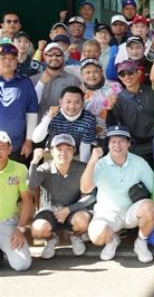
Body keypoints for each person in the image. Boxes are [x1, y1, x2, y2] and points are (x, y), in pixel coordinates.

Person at [82, 125, 154, 263]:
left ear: (129, 143)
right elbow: (85, 188)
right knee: (97, 236)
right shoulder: (100, 164)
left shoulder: (139, 162)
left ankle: (141, 242)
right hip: (108, 214)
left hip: (131, 212)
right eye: (113, 141)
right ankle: (112, 240)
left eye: (121, 141)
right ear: (108, 144)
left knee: (150, 207)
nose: (117, 145)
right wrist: (92, 161)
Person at [28, 134, 94, 259]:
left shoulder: (82, 168)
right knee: (37, 230)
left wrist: (68, 209)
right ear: (51, 151)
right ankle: (51, 239)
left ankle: (76, 236)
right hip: (50, 211)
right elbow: (31, 185)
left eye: (68, 149)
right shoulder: (45, 168)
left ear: (74, 151)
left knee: (83, 221)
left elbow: (91, 196)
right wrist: (34, 161)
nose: (63, 153)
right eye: (59, 149)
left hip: (74, 210)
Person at [107, 60, 154, 166]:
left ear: (138, 73)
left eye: (130, 72)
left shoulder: (153, 92)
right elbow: (112, 125)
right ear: (119, 78)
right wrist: (110, 108)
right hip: (135, 147)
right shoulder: (118, 99)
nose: (127, 77)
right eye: (122, 74)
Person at [32, 86, 98, 162]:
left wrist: (83, 166)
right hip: (53, 153)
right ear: (61, 102)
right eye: (68, 102)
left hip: (76, 155)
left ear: (82, 103)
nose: (72, 106)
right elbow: (36, 139)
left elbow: (85, 145)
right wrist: (49, 118)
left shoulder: (89, 119)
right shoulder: (52, 114)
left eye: (77, 102)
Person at [0, 43, 38, 165]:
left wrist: (29, 141)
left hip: (15, 147)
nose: (7, 61)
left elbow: (32, 113)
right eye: (3, 58)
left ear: (17, 61)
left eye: (12, 58)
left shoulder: (26, 83)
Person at [0, 131, 32, 271]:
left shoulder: (20, 169)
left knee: (22, 264)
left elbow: (27, 199)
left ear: (10, 149)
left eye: (2, 147)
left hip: (7, 223)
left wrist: (20, 229)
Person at [31, 42, 81, 120]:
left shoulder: (73, 80)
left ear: (63, 57)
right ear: (44, 56)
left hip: (64, 126)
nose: (54, 58)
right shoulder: (33, 80)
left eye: (58, 55)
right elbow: (28, 106)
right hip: (38, 126)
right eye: (50, 55)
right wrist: (41, 83)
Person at [81, 58, 122, 135]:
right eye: (88, 72)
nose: (92, 75)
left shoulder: (115, 87)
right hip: (89, 136)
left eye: (96, 71)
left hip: (113, 134)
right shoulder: (79, 91)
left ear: (102, 72)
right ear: (82, 75)